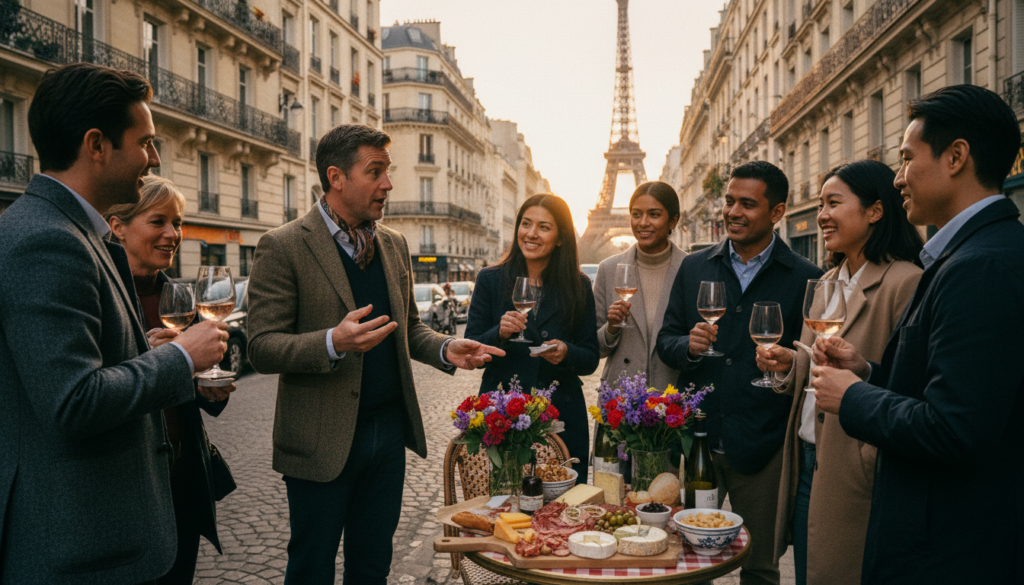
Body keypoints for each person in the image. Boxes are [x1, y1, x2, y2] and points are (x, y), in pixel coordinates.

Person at [0, 63, 228, 584]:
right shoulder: (47, 239)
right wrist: (180, 357)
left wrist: (147, 352)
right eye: (145, 142)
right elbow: (72, 400)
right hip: (81, 547)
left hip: (109, 537)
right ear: (96, 144)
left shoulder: (82, 233)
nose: (153, 158)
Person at [245, 124, 503, 585]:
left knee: (372, 568)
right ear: (336, 177)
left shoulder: (394, 244)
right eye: (376, 171)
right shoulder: (282, 246)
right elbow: (261, 347)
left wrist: (447, 347)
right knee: (311, 567)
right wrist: (332, 342)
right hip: (319, 439)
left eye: (388, 171)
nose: (388, 184)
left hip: (387, 437)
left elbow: (408, 328)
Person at [811, 86, 1024, 583]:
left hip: (948, 549)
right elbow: (957, 389)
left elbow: (955, 428)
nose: (898, 178)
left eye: (906, 159)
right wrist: (867, 370)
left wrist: (857, 397)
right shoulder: (973, 253)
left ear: (956, 157)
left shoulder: (981, 266)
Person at [754, 160, 923, 585]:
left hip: (856, 466)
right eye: (821, 204)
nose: (822, 215)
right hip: (808, 458)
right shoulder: (828, 281)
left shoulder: (905, 282)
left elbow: (910, 387)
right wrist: (792, 365)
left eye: (834, 203)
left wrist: (862, 373)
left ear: (875, 211)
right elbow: (818, 365)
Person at [656, 161, 823, 585]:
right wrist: (687, 347)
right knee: (690, 561)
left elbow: (812, 357)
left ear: (778, 211)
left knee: (761, 564)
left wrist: (788, 360)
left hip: (762, 446)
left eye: (747, 204)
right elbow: (667, 339)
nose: (733, 211)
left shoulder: (806, 279)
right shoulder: (694, 268)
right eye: (730, 201)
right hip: (699, 442)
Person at [105, 175, 238, 584]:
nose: (172, 234)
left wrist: (208, 379)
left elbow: (210, 400)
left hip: (182, 479)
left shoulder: (177, 297)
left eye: (177, 223)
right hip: (125, 487)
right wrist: (158, 357)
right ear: (118, 226)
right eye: (158, 221)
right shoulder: (100, 292)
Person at [465, 194, 599, 481]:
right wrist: (499, 333)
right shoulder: (490, 279)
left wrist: (566, 352)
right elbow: (472, 350)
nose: (531, 234)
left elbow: (589, 358)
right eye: (526, 224)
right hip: (503, 415)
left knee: (563, 509)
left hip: (562, 414)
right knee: (506, 503)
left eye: (544, 227)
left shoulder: (579, 285)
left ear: (561, 237)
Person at [594, 181, 686, 390]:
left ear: (673, 221)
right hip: (621, 399)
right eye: (636, 214)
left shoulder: (691, 269)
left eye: (654, 214)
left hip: (672, 401)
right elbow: (594, 348)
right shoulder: (608, 269)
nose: (643, 222)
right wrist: (611, 328)